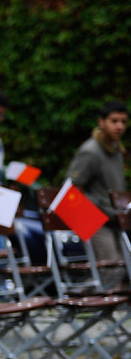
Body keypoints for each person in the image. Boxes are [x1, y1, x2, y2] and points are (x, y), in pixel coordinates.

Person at [66, 100, 128, 288]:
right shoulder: (91, 151)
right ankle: (83, 299)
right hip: (96, 220)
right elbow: (70, 188)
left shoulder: (116, 150)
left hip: (115, 219)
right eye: (114, 121)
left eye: (123, 122)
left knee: (123, 266)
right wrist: (97, 208)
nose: (119, 126)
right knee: (111, 269)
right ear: (101, 122)